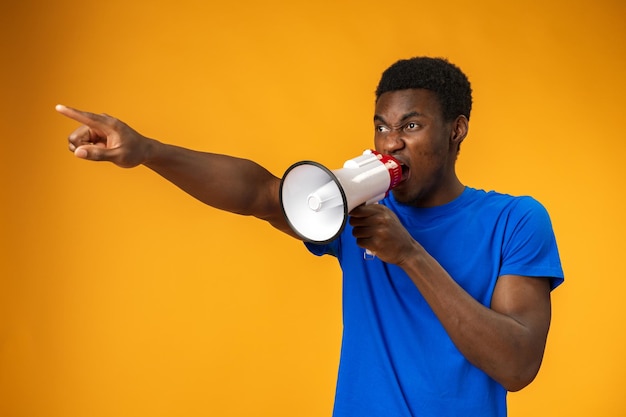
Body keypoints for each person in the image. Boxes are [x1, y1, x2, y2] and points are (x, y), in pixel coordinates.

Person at [57, 56, 564, 417]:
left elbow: (517, 364)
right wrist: (147, 150)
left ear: (457, 130)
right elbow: (259, 192)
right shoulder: (359, 207)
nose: (391, 142)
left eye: (410, 125)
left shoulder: (514, 220)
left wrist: (408, 254)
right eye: (381, 127)